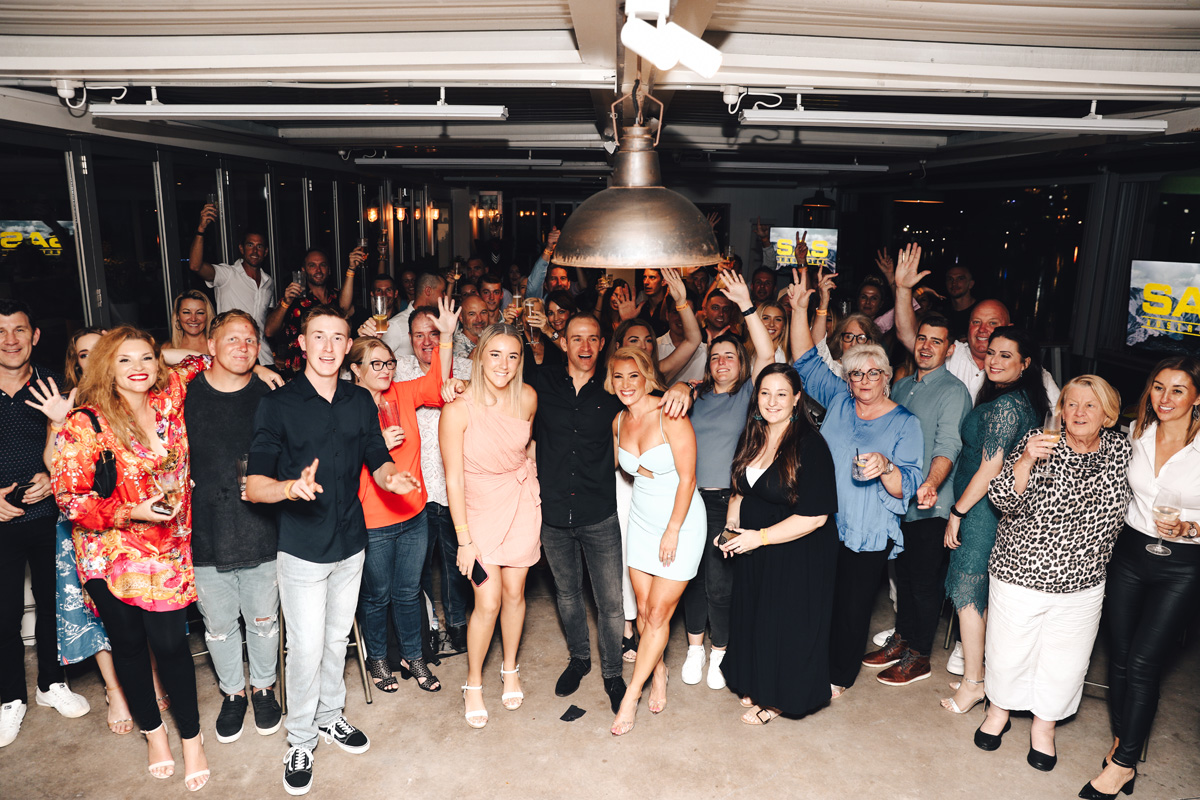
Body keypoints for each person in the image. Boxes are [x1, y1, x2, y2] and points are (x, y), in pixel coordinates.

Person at [245, 306, 419, 796]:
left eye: (337, 337)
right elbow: (254, 485)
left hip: (351, 542)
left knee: (337, 638)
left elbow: (377, 457)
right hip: (302, 547)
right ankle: (300, 739)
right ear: (302, 343)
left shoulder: (359, 400)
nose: (328, 346)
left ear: (348, 346)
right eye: (318, 336)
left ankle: (330, 716)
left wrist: (391, 478)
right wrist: (289, 488)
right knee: (305, 648)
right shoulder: (277, 404)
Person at [49, 325, 213, 789]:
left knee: (171, 646)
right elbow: (70, 500)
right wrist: (129, 511)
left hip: (169, 547)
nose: (138, 368)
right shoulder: (86, 423)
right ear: (106, 367)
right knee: (129, 646)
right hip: (111, 553)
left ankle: (192, 740)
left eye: (145, 358)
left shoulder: (169, 398)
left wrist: (161, 351)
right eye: (124, 359)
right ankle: (155, 735)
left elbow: (203, 360)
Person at [977, 375, 1130, 769]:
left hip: (1084, 581)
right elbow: (1001, 499)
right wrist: (1026, 459)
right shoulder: (1039, 440)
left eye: (1090, 405)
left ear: (1108, 414)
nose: (1078, 412)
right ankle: (998, 712)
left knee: (1066, 663)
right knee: (1008, 653)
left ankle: (1044, 727)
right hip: (1021, 571)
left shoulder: (1122, 451)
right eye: (1071, 404)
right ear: (1060, 410)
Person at [787, 269, 924, 698]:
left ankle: (838, 676)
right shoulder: (840, 401)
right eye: (856, 374)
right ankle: (810, 661)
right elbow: (804, 360)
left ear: (887, 375)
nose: (864, 381)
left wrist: (886, 466)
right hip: (824, 520)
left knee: (851, 606)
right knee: (816, 597)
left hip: (868, 530)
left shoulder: (906, 423)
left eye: (873, 373)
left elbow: (906, 487)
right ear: (846, 378)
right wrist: (800, 308)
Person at [1081, 357, 1200, 800]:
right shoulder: (1137, 433)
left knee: (1145, 663)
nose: (1165, 398)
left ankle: (1124, 764)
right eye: (1158, 387)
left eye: (1178, 390)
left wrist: (1189, 527)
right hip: (1130, 553)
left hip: (1183, 563)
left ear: (1197, 397)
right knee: (1120, 656)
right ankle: (1122, 742)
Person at [183, 311, 283, 744]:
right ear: (210, 344)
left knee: (263, 621)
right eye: (232, 339)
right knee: (220, 626)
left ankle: (263, 688)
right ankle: (233, 693)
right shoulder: (184, 393)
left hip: (263, 530)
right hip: (205, 531)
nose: (243, 347)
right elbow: (140, 359)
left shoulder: (271, 394)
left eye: (250, 340)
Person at [348, 298, 456, 696]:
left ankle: (414, 657)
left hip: (413, 513)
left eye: (389, 363)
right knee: (377, 596)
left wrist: (446, 336)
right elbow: (341, 467)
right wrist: (376, 444)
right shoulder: (346, 407)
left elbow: (437, 384)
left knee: (409, 592)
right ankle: (378, 658)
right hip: (373, 520)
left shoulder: (402, 394)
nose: (385, 370)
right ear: (356, 369)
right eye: (375, 364)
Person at [720, 364, 839, 724]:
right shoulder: (753, 436)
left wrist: (759, 538)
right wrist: (731, 528)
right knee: (758, 616)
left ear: (797, 399)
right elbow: (740, 490)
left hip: (797, 550)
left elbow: (815, 517)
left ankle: (779, 699)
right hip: (754, 546)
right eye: (765, 393)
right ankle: (757, 681)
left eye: (782, 394)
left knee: (787, 624)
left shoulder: (811, 446)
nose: (772, 401)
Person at [940, 326, 1048, 716]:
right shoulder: (1019, 399)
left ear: (1026, 363)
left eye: (1006, 355)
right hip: (987, 507)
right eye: (991, 353)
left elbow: (990, 469)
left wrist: (957, 512)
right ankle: (980, 673)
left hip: (981, 509)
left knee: (968, 592)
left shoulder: (1006, 405)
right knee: (978, 594)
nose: (995, 361)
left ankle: (974, 684)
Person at [862, 311, 972, 687]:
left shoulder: (953, 391)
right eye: (922, 338)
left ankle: (919, 655)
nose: (926, 346)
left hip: (931, 504)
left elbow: (948, 445)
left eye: (936, 341)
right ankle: (903, 639)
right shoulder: (903, 385)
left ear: (950, 349)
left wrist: (930, 484)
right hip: (899, 502)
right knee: (905, 578)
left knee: (924, 583)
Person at [0, 301, 91, 749]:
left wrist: (51, 477)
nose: (10, 340)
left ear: (35, 336)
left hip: (50, 517)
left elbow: (78, 448)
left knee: (54, 602)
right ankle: (10, 698)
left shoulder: (55, 387)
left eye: (19, 330)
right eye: (0, 331)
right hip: (1, 521)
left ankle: (51, 684)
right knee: (4, 612)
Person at [440, 323, 540, 728]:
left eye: (512, 356)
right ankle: (474, 683)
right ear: (479, 357)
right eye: (495, 354)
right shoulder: (457, 409)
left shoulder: (528, 397)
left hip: (520, 504)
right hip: (478, 514)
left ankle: (510, 668)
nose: (504, 364)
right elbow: (453, 479)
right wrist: (464, 540)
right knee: (487, 601)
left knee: (515, 594)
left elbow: (527, 446)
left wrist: (530, 477)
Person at [680, 271, 776, 691]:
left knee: (720, 584)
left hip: (727, 502)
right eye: (715, 356)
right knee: (691, 579)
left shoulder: (750, 395)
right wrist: (683, 385)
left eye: (730, 356)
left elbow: (768, 354)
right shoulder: (695, 397)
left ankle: (720, 650)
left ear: (741, 363)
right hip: (688, 500)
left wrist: (747, 306)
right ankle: (694, 648)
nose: (721, 362)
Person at [607, 347, 705, 735]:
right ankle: (659, 670)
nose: (626, 384)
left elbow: (688, 479)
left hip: (679, 521)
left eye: (633, 375)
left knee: (659, 615)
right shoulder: (618, 420)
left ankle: (631, 696)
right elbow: (613, 466)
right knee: (646, 612)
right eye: (618, 376)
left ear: (647, 376)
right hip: (641, 519)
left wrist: (673, 529)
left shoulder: (670, 414)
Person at [394, 309, 474, 658]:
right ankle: (428, 626)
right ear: (409, 339)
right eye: (418, 335)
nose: (426, 341)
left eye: (434, 333)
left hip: (458, 485)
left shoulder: (468, 368)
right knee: (418, 567)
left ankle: (457, 624)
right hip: (416, 486)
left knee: (458, 562)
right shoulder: (399, 369)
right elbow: (363, 377)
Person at [893, 261, 1059, 405]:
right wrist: (903, 289)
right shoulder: (953, 352)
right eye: (976, 322)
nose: (982, 329)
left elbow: (1059, 416)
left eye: (992, 323)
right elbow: (908, 335)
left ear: (1009, 329)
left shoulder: (1028, 370)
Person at [190, 208, 276, 365]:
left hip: (264, 356)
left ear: (265, 252)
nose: (255, 251)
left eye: (259, 246)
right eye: (250, 245)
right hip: (235, 357)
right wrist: (201, 229)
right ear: (241, 249)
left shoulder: (268, 281)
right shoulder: (227, 274)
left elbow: (267, 323)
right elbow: (196, 266)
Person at [265, 248, 353, 379]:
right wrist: (286, 302)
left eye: (322, 265)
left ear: (329, 270)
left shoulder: (337, 297)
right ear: (304, 270)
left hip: (332, 372)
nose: (318, 270)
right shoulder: (293, 299)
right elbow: (269, 331)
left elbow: (345, 311)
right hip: (298, 376)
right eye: (312, 265)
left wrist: (351, 269)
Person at [359, 272, 448, 359]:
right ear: (428, 291)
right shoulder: (396, 325)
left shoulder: (439, 320)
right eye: (443, 291)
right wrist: (366, 340)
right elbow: (373, 359)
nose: (445, 296)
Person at [658, 286, 707, 383]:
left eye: (687, 313)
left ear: (695, 316)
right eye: (676, 312)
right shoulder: (654, 348)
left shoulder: (706, 351)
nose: (681, 318)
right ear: (667, 315)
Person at [944, 265, 977, 341]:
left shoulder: (981, 311)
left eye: (960, 278)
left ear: (970, 284)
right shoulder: (942, 312)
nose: (954, 283)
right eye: (950, 279)